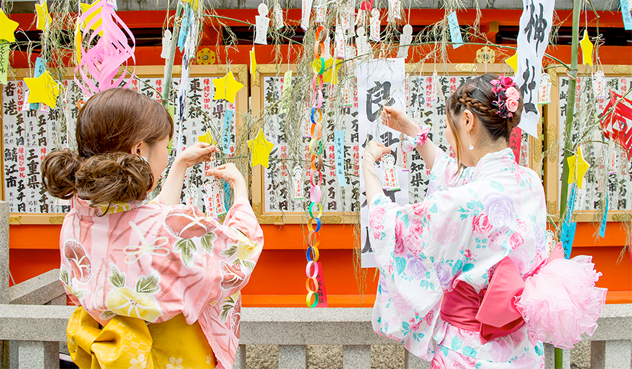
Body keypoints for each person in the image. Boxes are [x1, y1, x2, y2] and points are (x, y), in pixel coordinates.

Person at [362, 74, 606, 368]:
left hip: (470, 351)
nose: (451, 140)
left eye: (451, 128)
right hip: (523, 349)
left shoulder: (465, 199)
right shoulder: (529, 182)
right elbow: (454, 171)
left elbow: (390, 225)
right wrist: (412, 129)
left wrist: (368, 168)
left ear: (467, 121)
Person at [41, 88, 263, 369]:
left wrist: (180, 164)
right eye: (165, 148)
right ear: (139, 150)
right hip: (169, 356)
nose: (167, 155)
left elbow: (144, 226)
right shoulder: (167, 227)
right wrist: (241, 193)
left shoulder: (77, 219)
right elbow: (241, 251)